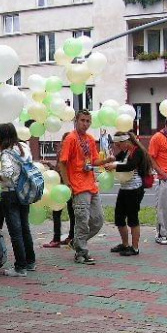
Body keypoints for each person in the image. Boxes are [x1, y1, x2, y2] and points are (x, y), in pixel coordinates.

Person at [59, 109, 115, 265]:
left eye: (88, 121)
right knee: (82, 220)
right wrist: (67, 183)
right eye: (82, 120)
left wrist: (106, 160)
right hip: (78, 186)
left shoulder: (90, 139)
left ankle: (76, 242)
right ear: (76, 120)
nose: (85, 124)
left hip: (91, 184)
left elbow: (93, 161)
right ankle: (81, 253)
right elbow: (62, 162)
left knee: (98, 221)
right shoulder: (70, 139)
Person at [0, 123, 36, 277]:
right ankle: (30, 261)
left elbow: (8, 173)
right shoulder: (24, 147)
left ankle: (20, 267)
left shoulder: (6, 153)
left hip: (10, 193)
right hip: (24, 192)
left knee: (15, 231)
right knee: (25, 228)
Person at [104, 132, 152, 256]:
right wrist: (110, 160)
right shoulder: (125, 152)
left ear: (126, 142)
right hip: (125, 187)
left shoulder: (138, 152)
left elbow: (130, 166)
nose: (119, 148)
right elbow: (117, 159)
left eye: (119, 145)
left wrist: (114, 165)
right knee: (119, 217)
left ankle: (135, 248)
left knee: (132, 218)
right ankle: (125, 244)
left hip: (135, 188)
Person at [43, 133, 75, 248]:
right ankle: (71, 237)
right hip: (70, 185)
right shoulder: (70, 151)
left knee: (57, 212)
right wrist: (50, 165)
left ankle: (57, 239)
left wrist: (51, 167)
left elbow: (60, 169)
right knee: (72, 213)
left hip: (62, 186)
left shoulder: (64, 152)